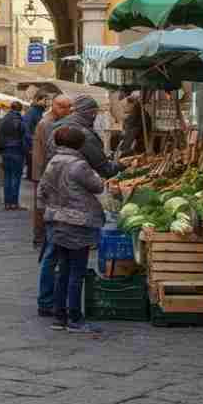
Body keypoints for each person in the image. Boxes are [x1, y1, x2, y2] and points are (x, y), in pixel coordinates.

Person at [39, 125, 104, 334]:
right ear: (80, 144)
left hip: (56, 221)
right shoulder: (79, 165)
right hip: (77, 222)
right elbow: (98, 186)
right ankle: (75, 317)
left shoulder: (53, 162)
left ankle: (60, 316)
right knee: (76, 272)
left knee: (63, 271)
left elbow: (42, 191)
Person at [34, 94, 73, 316]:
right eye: (63, 106)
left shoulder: (56, 123)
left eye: (70, 107)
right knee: (53, 253)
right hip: (55, 198)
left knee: (53, 253)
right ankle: (48, 301)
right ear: (54, 106)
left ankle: (49, 300)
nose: (67, 110)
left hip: (53, 197)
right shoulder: (48, 124)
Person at [47, 95, 123, 180]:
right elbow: (104, 168)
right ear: (91, 113)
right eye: (95, 112)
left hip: (56, 180)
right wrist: (122, 164)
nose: (95, 116)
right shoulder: (84, 134)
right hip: (78, 183)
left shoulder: (57, 126)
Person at [0, 101, 26, 209]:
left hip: (5, 151)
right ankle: (14, 202)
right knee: (16, 177)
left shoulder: (3, 119)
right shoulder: (20, 120)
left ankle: (7, 203)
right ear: (20, 109)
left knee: (7, 177)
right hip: (17, 150)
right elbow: (24, 136)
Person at [23, 93, 49, 179]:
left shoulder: (41, 112)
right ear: (38, 100)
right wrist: (32, 143)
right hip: (33, 144)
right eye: (45, 100)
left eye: (47, 100)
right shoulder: (32, 111)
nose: (47, 102)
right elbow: (26, 128)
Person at [117, 92, 146, 157]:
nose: (125, 108)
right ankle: (124, 151)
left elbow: (132, 125)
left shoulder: (137, 109)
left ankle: (124, 152)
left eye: (125, 106)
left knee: (127, 135)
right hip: (137, 133)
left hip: (138, 135)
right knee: (124, 136)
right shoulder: (137, 109)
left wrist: (126, 121)